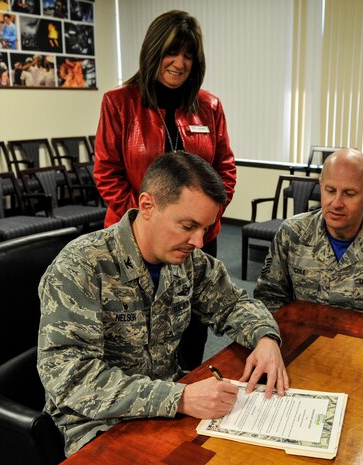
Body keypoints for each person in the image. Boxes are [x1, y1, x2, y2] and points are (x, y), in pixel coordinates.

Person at [38, 151, 287, 457]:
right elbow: (71, 378)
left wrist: (265, 337)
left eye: (206, 229)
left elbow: (232, 303)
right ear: (147, 206)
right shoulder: (82, 267)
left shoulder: (187, 260)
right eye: (188, 226)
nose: (198, 241)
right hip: (98, 423)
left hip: (170, 406)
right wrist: (179, 398)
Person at [94, 10, 237, 369]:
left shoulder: (209, 106)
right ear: (154, 51)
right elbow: (107, 172)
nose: (180, 63)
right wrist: (150, 224)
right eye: (172, 52)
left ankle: (187, 379)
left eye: (189, 55)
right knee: (135, 325)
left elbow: (225, 169)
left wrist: (200, 222)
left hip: (198, 236)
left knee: (191, 317)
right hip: (137, 238)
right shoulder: (119, 103)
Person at [254, 148, 363, 322]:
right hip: (302, 339)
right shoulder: (292, 233)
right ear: (321, 186)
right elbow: (269, 298)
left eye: (349, 194)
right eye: (330, 190)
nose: (336, 203)